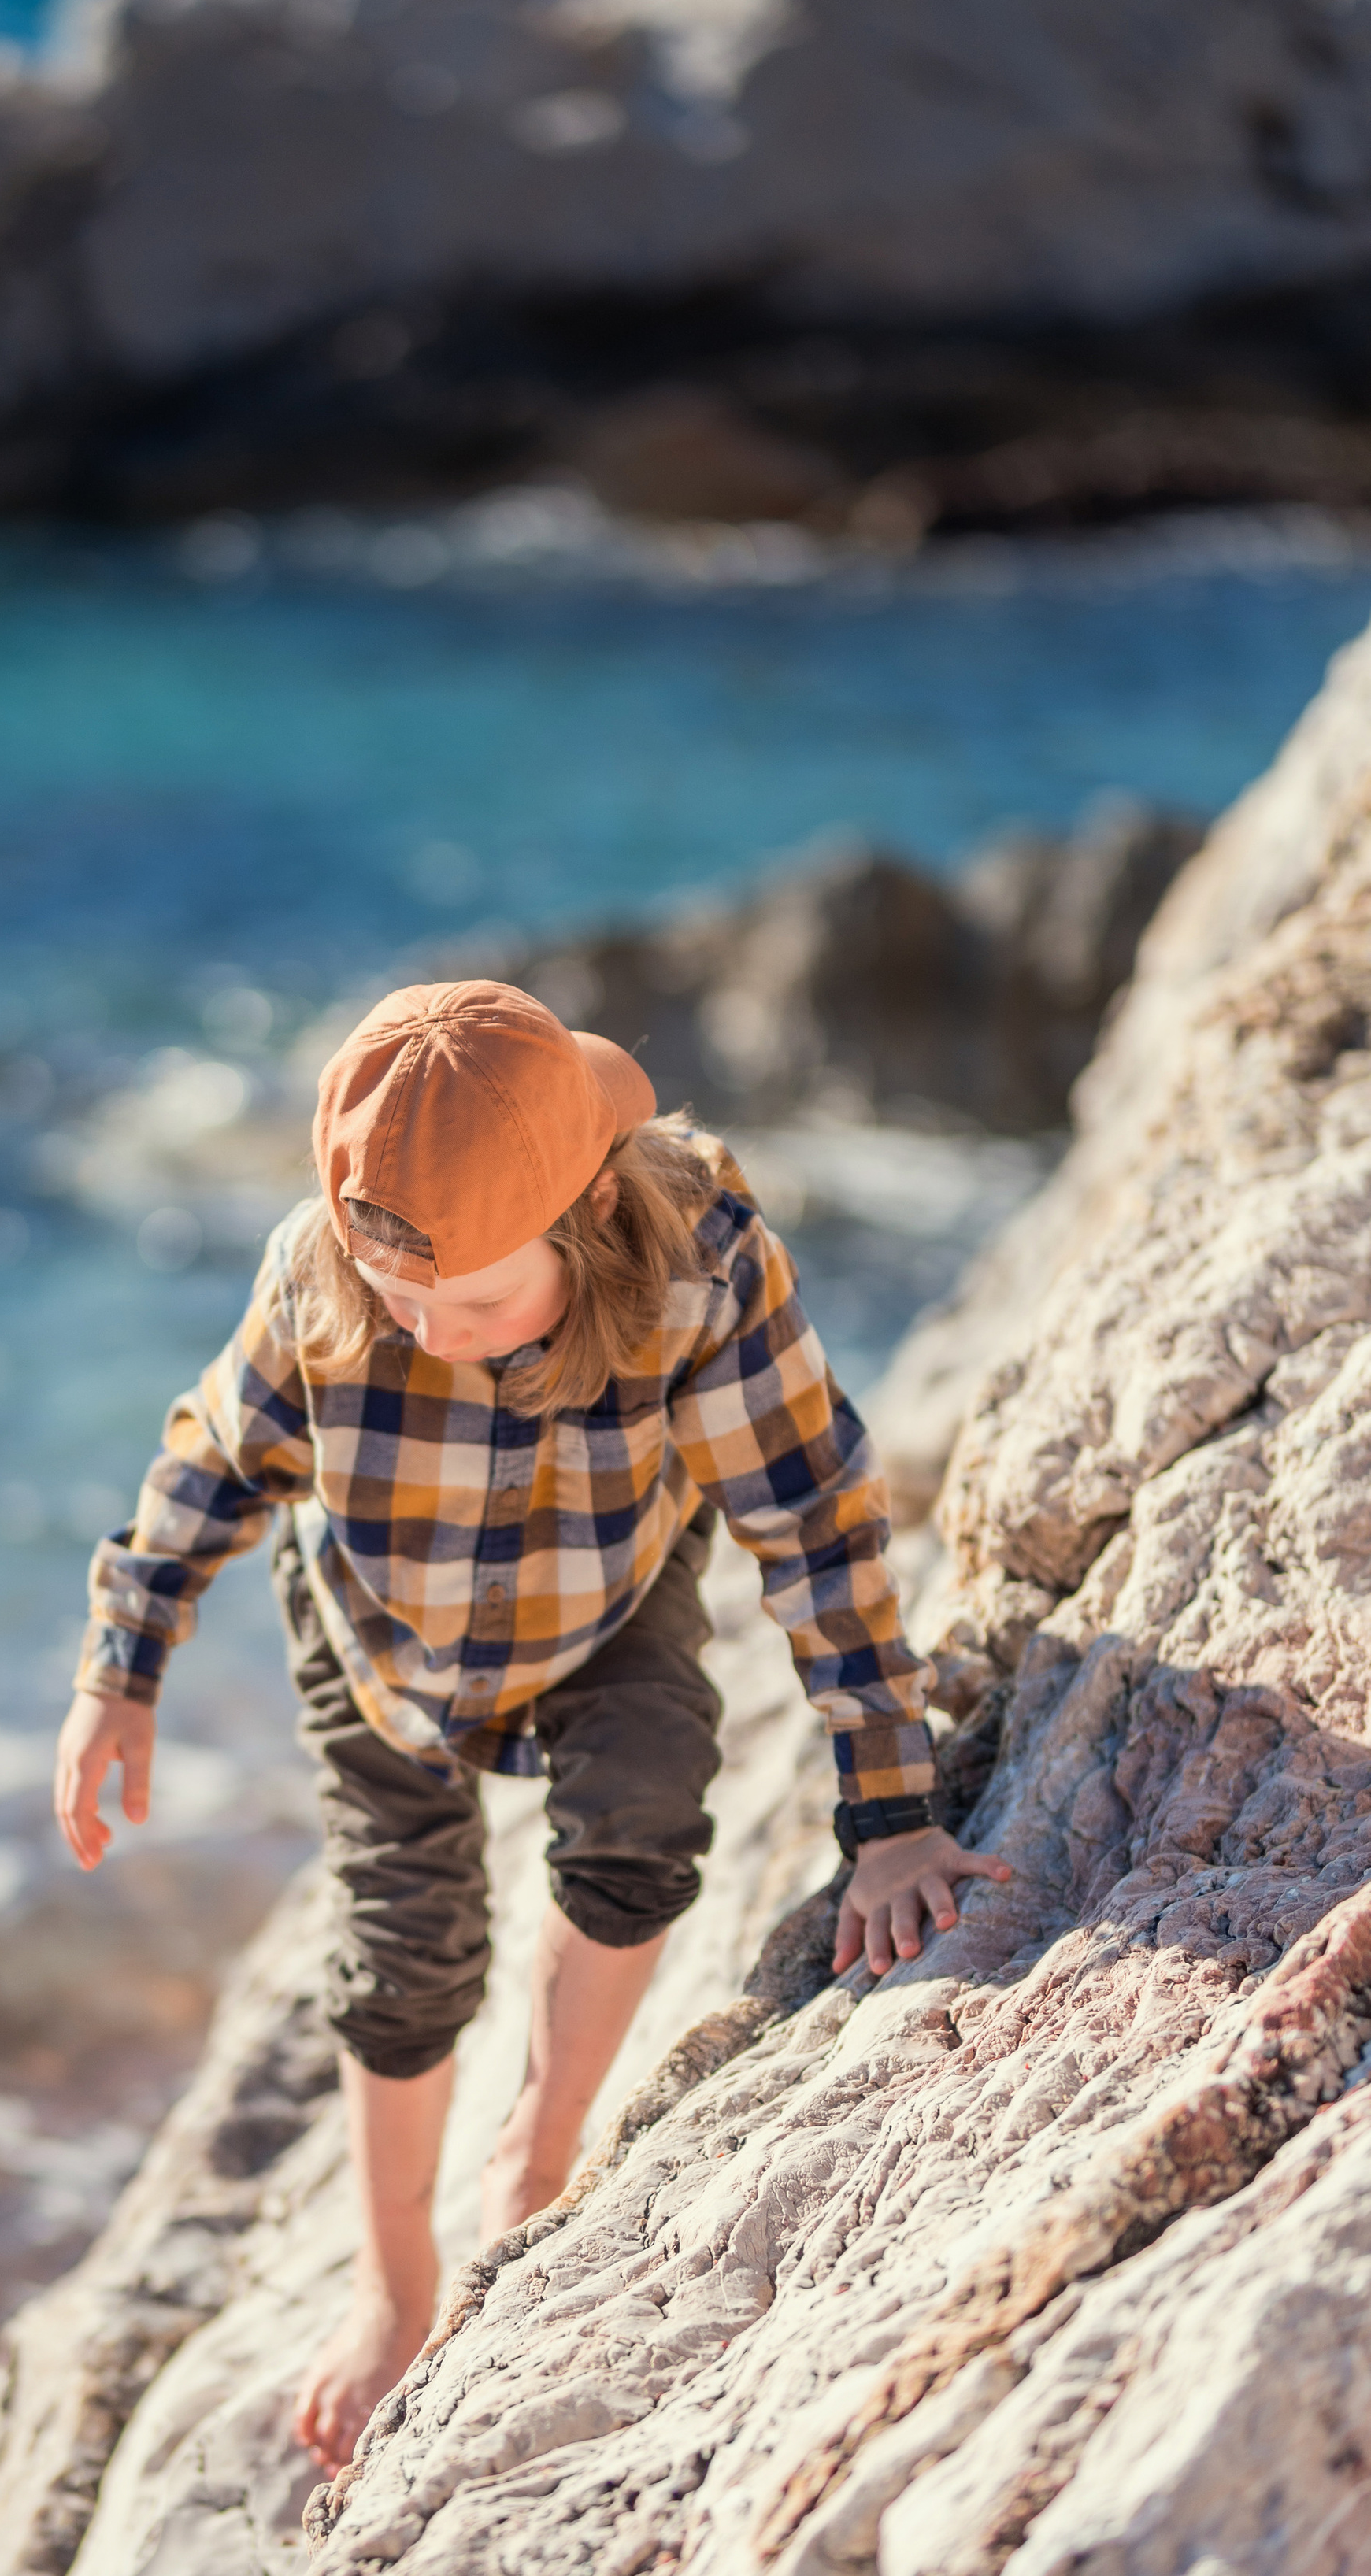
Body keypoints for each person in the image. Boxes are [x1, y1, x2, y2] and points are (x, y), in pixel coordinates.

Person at [54, 980, 1007, 2472]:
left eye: (479, 1299)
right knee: (404, 1945)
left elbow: (816, 1525)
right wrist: (121, 1667)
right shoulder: (323, 1274)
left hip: (604, 1598)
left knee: (643, 1822)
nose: (431, 1332)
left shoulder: (698, 1271)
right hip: (380, 1634)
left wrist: (892, 1818)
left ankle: (535, 2150)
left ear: (590, 1215)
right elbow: (215, 1463)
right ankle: (391, 2285)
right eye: (399, 1296)